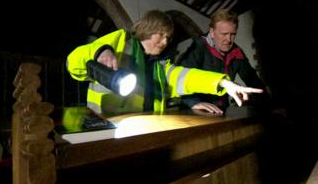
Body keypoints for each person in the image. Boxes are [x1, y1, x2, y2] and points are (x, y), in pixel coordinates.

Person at [66, 9, 263, 116]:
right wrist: (100, 51)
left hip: (141, 131)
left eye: (168, 37)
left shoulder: (159, 66)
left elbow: (186, 77)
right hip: (105, 126)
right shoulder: (119, 43)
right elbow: (72, 63)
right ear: (147, 29)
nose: (165, 42)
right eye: (161, 35)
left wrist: (223, 82)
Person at [176, 9, 270, 114]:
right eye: (224, 34)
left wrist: (271, 106)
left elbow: (253, 80)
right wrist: (192, 103)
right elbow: (182, 76)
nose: (229, 39)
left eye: (232, 34)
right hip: (195, 111)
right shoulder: (198, 47)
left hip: (221, 111)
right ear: (212, 32)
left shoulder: (237, 52)